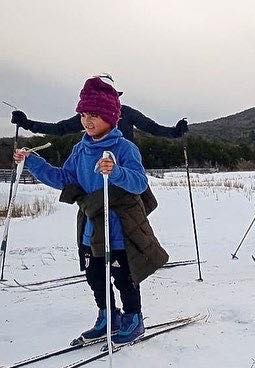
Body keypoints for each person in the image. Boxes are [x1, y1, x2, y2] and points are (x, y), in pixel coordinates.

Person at [14, 76, 169, 346]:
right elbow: (64, 178)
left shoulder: (124, 148)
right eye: (84, 113)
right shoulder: (80, 149)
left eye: (95, 114)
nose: (87, 120)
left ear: (111, 116)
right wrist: (33, 162)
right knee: (95, 275)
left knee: (124, 275)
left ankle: (133, 318)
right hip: (91, 223)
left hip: (119, 224)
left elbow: (140, 182)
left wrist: (116, 171)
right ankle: (108, 316)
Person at [10, 73, 187, 143]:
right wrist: (27, 124)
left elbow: (152, 128)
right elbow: (60, 128)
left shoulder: (127, 113)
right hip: (96, 169)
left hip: (125, 166)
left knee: (139, 210)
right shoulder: (89, 116)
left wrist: (175, 132)